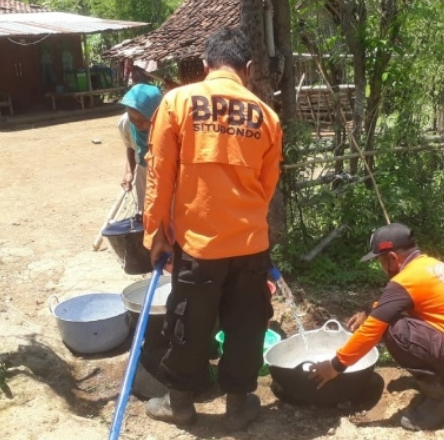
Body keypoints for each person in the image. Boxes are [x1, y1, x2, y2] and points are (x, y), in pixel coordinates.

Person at [141, 27, 283, 431]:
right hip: (251, 244)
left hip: (199, 246)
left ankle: (180, 404)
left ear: (205, 65)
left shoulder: (178, 102)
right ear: (249, 68)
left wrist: (156, 233)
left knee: (189, 322)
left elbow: (159, 175)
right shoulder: (267, 117)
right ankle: (239, 404)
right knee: (246, 324)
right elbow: (267, 186)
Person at [308, 223, 444, 431]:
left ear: (392, 258)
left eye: (380, 260)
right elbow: (397, 304)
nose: (381, 266)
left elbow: (374, 328)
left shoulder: (406, 281)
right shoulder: (428, 266)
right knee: (398, 318)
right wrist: (370, 309)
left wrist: (336, 365)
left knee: (391, 328)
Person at [117, 83, 162, 211]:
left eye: (143, 120)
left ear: (155, 114)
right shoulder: (125, 123)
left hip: (164, 173)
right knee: (146, 210)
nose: (137, 124)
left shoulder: (166, 126)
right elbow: (130, 147)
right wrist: (129, 171)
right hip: (143, 171)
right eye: (132, 118)